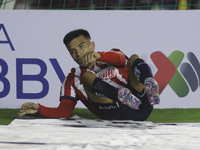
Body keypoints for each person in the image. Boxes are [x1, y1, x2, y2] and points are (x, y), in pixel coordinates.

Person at [18, 29, 160, 121]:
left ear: (92, 45)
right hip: (114, 113)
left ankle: (149, 83)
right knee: (86, 76)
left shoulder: (109, 56)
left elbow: (122, 59)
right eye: (72, 51)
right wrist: (40, 109)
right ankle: (120, 95)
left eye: (81, 46)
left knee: (133, 58)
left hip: (140, 105)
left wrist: (99, 56)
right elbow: (64, 111)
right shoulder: (72, 79)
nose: (78, 53)